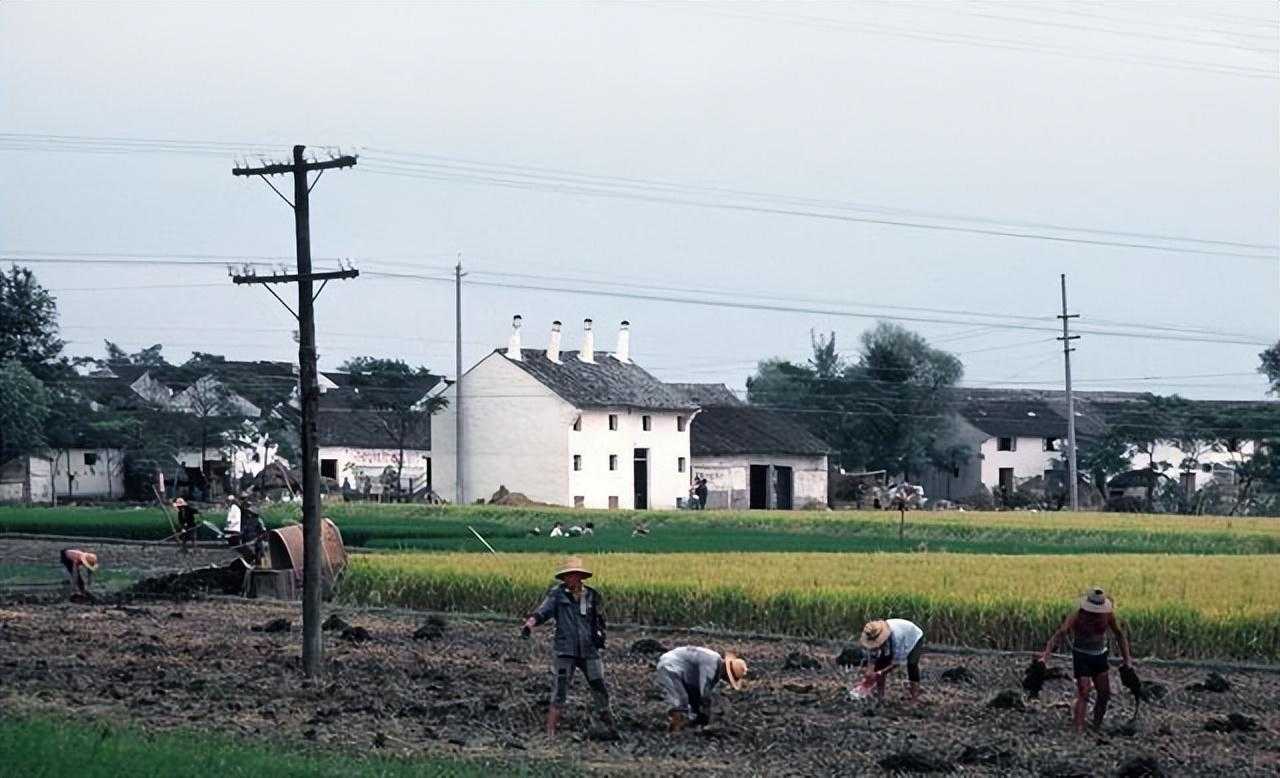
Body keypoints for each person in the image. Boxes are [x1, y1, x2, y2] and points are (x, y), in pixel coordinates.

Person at [521, 556, 617, 739]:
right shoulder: (557, 595)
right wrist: (529, 625)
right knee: (560, 689)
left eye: (574, 575)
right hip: (565, 650)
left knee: (599, 686)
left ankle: (609, 728)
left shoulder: (591, 596)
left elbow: (600, 620)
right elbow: (542, 612)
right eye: (567, 576)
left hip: (589, 650)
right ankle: (550, 734)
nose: (570, 578)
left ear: (580, 576)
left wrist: (600, 636)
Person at [1039, 587, 1134, 733]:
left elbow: (1119, 635)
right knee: (1084, 690)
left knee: (1104, 693)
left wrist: (1127, 661)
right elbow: (1060, 633)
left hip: (1099, 655)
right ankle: (1079, 729)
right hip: (1081, 655)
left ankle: (1096, 726)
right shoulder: (1078, 615)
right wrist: (1045, 657)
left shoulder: (1107, 615)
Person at [654, 646, 747, 732]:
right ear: (727, 672)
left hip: (681, 669)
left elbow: (697, 691)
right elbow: (704, 692)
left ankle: (683, 726)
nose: (726, 681)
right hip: (671, 665)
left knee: (689, 700)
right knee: (681, 700)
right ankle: (673, 732)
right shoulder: (712, 664)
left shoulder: (715, 666)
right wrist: (704, 713)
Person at [859, 618, 925, 701]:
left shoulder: (896, 637)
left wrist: (882, 672)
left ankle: (914, 698)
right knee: (880, 663)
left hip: (914, 637)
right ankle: (881, 696)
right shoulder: (872, 635)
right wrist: (869, 673)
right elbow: (872, 658)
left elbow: (896, 662)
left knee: (912, 664)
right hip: (897, 637)